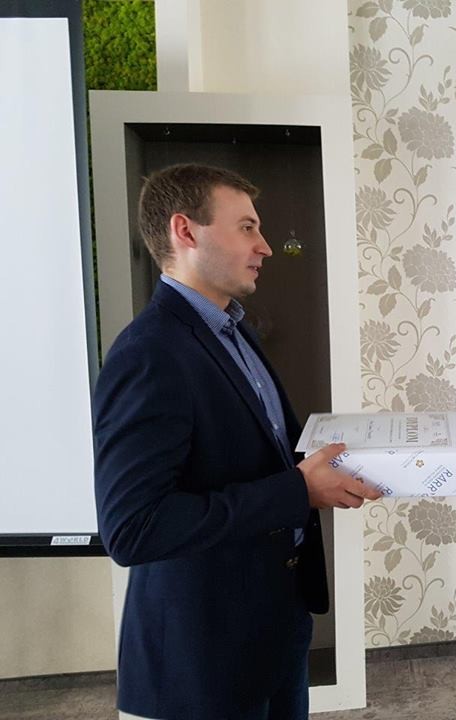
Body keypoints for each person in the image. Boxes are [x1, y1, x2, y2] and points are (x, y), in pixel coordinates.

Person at [93, 163, 381, 720]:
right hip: (205, 658)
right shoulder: (149, 353)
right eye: (247, 227)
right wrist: (299, 490)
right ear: (185, 230)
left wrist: (366, 452)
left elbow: (258, 453)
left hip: (275, 628)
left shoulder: (231, 330)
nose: (265, 246)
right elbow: (134, 528)